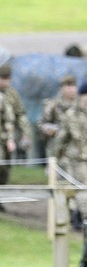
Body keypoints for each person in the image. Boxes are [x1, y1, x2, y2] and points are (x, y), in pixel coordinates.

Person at [56, 80, 87, 229]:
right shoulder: (71, 115)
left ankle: (76, 210)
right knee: (84, 186)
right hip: (77, 157)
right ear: (82, 96)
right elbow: (62, 138)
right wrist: (56, 157)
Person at [0, 63, 31, 191]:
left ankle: (2, 195)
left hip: (9, 137)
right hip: (3, 137)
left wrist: (25, 133)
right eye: (2, 78)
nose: (5, 81)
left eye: (7, 78)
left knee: (6, 167)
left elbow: (20, 114)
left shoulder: (12, 94)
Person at [39, 74, 77, 159]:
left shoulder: (79, 106)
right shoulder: (53, 105)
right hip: (56, 148)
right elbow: (41, 124)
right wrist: (48, 129)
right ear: (61, 88)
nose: (72, 90)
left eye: (74, 86)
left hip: (75, 149)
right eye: (68, 87)